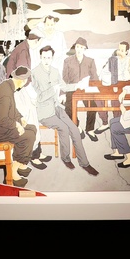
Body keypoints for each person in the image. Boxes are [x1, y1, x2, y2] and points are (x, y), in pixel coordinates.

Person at [31, 46, 97, 175]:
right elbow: (38, 97)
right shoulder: (34, 73)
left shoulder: (55, 71)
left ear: (52, 58)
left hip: (56, 107)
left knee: (74, 129)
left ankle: (85, 163)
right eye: (44, 58)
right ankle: (66, 158)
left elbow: (65, 87)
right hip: (44, 112)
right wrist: (53, 89)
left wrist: (78, 85)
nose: (46, 60)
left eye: (49, 58)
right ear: (40, 57)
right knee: (64, 128)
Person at [0, 65, 38, 188]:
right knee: (28, 136)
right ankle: (12, 173)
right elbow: (2, 119)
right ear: (22, 81)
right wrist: (16, 125)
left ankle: (21, 164)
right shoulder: (6, 93)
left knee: (32, 128)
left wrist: (20, 118)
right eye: (25, 81)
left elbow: (11, 110)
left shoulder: (7, 86)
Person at [62, 37, 102, 138]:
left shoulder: (90, 61)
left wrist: (96, 89)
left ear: (85, 49)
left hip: (85, 89)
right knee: (68, 108)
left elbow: (95, 78)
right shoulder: (67, 61)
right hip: (72, 89)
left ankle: (89, 129)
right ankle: (77, 126)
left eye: (81, 47)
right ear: (75, 47)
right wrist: (62, 93)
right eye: (77, 47)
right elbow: (64, 79)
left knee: (93, 106)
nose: (79, 49)